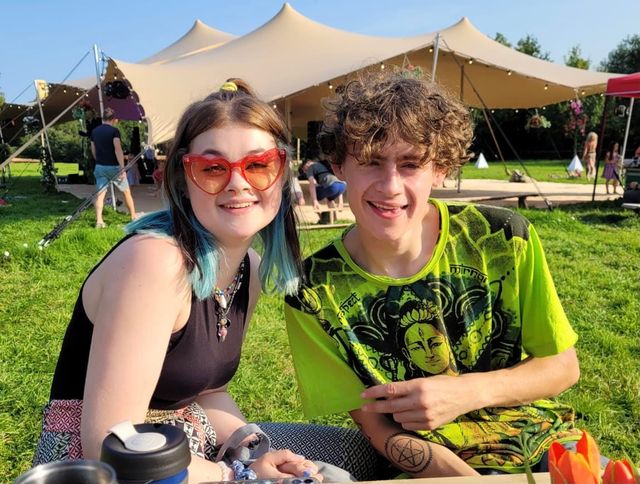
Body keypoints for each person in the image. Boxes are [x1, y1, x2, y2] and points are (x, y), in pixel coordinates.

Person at [32, 79, 348, 483]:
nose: (238, 183)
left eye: (258, 165)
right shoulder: (155, 262)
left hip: (189, 450)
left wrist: (254, 450)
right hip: (113, 471)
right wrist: (235, 474)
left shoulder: (246, 268)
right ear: (183, 179)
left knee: (341, 465)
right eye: (213, 168)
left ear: (282, 172)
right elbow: (113, 447)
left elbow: (204, 389)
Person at [284, 69, 585, 478]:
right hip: (428, 467)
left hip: (544, 444)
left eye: (410, 164)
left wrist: (466, 392)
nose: (390, 186)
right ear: (339, 165)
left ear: (440, 168)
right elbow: (374, 424)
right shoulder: (311, 290)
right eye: (371, 162)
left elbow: (562, 366)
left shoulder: (501, 238)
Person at [90, 107, 139, 228]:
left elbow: (93, 150)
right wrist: (123, 168)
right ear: (114, 119)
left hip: (100, 167)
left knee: (100, 195)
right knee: (126, 192)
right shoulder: (114, 131)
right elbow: (118, 149)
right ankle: (133, 216)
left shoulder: (94, 132)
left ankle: (99, 221)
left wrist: (99, 160)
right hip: (114, 167)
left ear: (103, 118)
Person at [302, 157, 346, 224]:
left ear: (307, 163)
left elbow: (312, 184)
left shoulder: (310, 167)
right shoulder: (324, 164)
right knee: (330, 199)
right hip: (342, 186)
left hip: (331, 186)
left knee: (312, 196)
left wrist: (315, 200)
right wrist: (341, 202)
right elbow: (337, 182)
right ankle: (333, 220)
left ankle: (322, 220)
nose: (305, 172)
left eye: (304, 169)